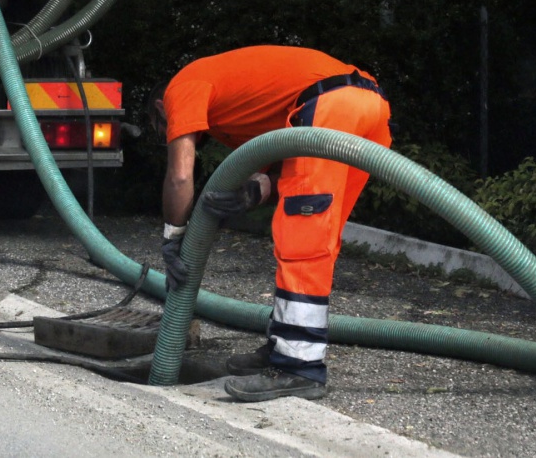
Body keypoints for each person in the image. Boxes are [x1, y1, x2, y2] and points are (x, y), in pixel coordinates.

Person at [147, 45, 392, 402]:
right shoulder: (245, 104)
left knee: (302, 242)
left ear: (160, 109)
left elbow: (180, 177)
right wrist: (254, 193)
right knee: (318, 238)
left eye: (161, 128)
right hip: (368, 108)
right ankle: (284, 346)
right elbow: (283, 161)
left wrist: (174, 236)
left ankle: (298, 368)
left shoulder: (181, 87)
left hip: (332, 106)